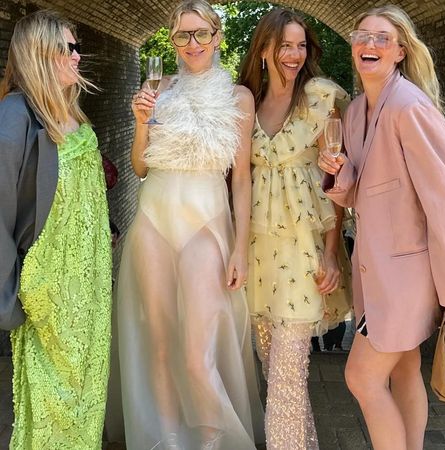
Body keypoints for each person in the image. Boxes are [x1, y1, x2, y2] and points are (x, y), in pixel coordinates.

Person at [116, 1, 264, 449]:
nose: (193, 43)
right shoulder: (156, 89)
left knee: (197, 354)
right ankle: (167, 440)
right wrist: (142, 123)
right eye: (183, 35)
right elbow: (140, 166)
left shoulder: (239, 97)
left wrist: (239, 246)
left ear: (217, 37)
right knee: (159, 341)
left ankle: (212, 442)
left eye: (201, 34)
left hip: (207, 224)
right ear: (173, 41)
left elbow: (241, 177)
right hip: (154, 220)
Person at [318, 5, 445, 450]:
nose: (368, 44)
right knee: (404, 367)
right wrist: (338, 172)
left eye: (381, 38)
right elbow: (359, 192)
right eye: (362, 36)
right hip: (375, 271)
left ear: (399, 52)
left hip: (408, 278)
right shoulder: (355, 112)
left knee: (360, 377)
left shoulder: (410, 107)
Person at [239, 8, 352, 449]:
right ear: (264, 49)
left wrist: (331, 252)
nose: (293, 54)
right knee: (278, 375)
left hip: (303, 256)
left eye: (300, 45)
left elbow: (333, 184)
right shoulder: (247, 100)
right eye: (284, 45)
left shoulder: (322, 98)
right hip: (256, 255)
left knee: (287, 376)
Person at [0, 10, 112, 449]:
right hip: (49, 292)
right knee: (52, 410)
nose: (79, 57)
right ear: (41, 53)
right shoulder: (15, 117)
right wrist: (12, 300)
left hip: (89, 291)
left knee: (86, 401)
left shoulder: (69, 113)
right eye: (70, 48)